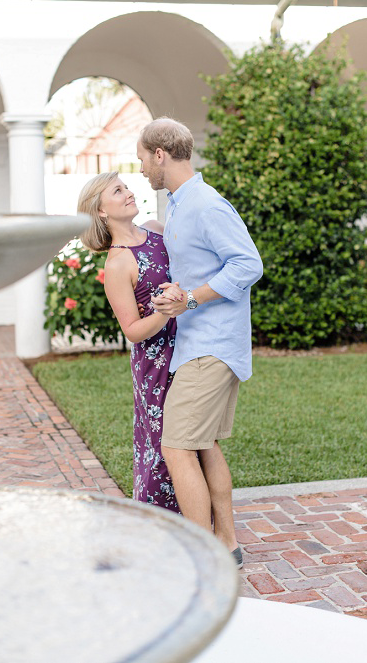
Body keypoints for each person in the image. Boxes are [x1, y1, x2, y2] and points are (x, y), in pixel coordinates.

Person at [140, 117, 263, 568]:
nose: (141, 171)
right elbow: (196, 260)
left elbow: (248, 265)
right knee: (203, 443)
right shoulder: (179, 204)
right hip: (198, 344)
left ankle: (202, 552)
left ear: (160, 155)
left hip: (213, 346)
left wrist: (190, 298)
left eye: (142, 160)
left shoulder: (207, 205)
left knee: (176, 446)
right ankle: (227, 545)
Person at [76, 172, 181, 514]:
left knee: (192, 440)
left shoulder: (156, 229)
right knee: (163, 445)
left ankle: (199, 520)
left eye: (126, 187)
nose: (129, 193)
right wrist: (167, 311)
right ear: (101, 211)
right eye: (118, 191)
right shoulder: (118, 263)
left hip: (191, 347)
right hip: (156, 362)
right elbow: (133, 330)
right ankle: (161, 525)